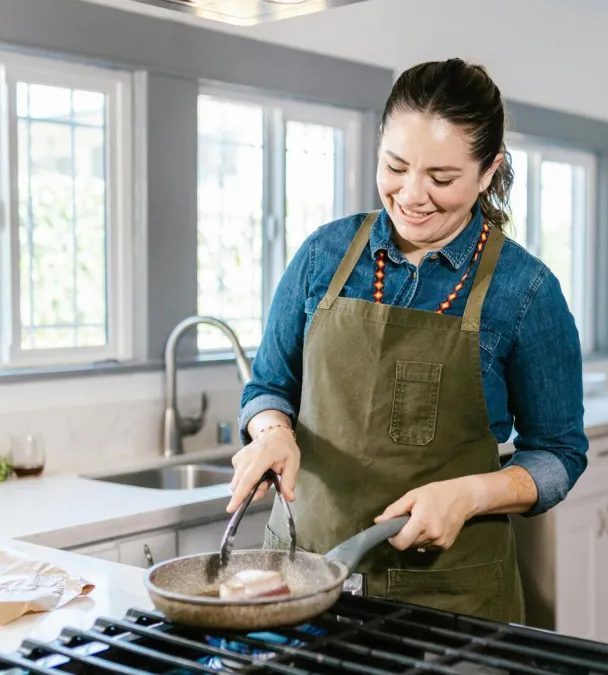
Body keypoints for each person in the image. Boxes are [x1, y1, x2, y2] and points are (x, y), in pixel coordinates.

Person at [227, 58, 589, 623]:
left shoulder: (526, 290)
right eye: (396, 166)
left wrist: (471, 495)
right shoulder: (323, 255)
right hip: (304, 581)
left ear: (488, 171)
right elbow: (269, 387)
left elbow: (560, 456)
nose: (413, 195)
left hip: (449, 601)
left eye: (442, 179)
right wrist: (272, 433)